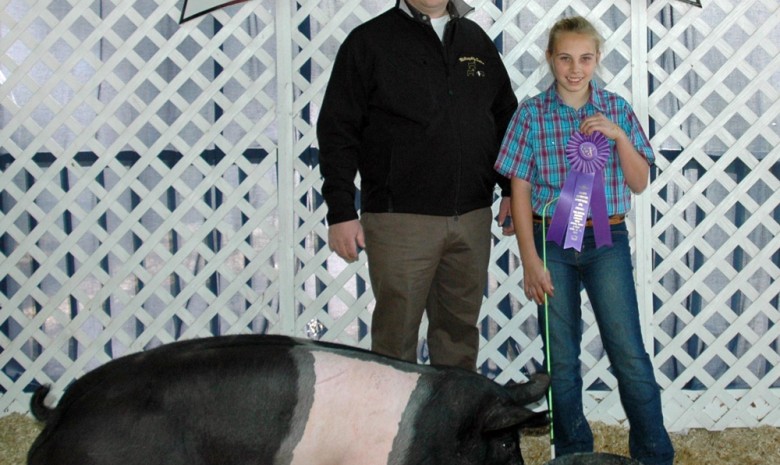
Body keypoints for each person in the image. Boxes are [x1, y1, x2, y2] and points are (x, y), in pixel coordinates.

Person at [494, 16, 674, 465]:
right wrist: (530, 260)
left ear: (597, 61)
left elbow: (638, 182)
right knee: (562, 358)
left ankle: (654, 454)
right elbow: (519, 190)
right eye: (566, 58)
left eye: (585, 58)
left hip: (606, 238)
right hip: (550, 238)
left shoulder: (616, 108)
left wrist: (619, 140)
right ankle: (573, 452)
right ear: (551, 59)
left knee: (628, 352)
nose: (575, 69)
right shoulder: (531, 114)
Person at [316, 0, 518, 371]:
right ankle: (392, 429)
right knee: (395, 341)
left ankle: (451, 428)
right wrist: (341, 211)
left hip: (472, 217)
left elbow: (504, 115)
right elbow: (337, 130)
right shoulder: (369, 42)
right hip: (399, 221)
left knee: (459, 337)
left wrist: (509, 189)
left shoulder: (475, 40)